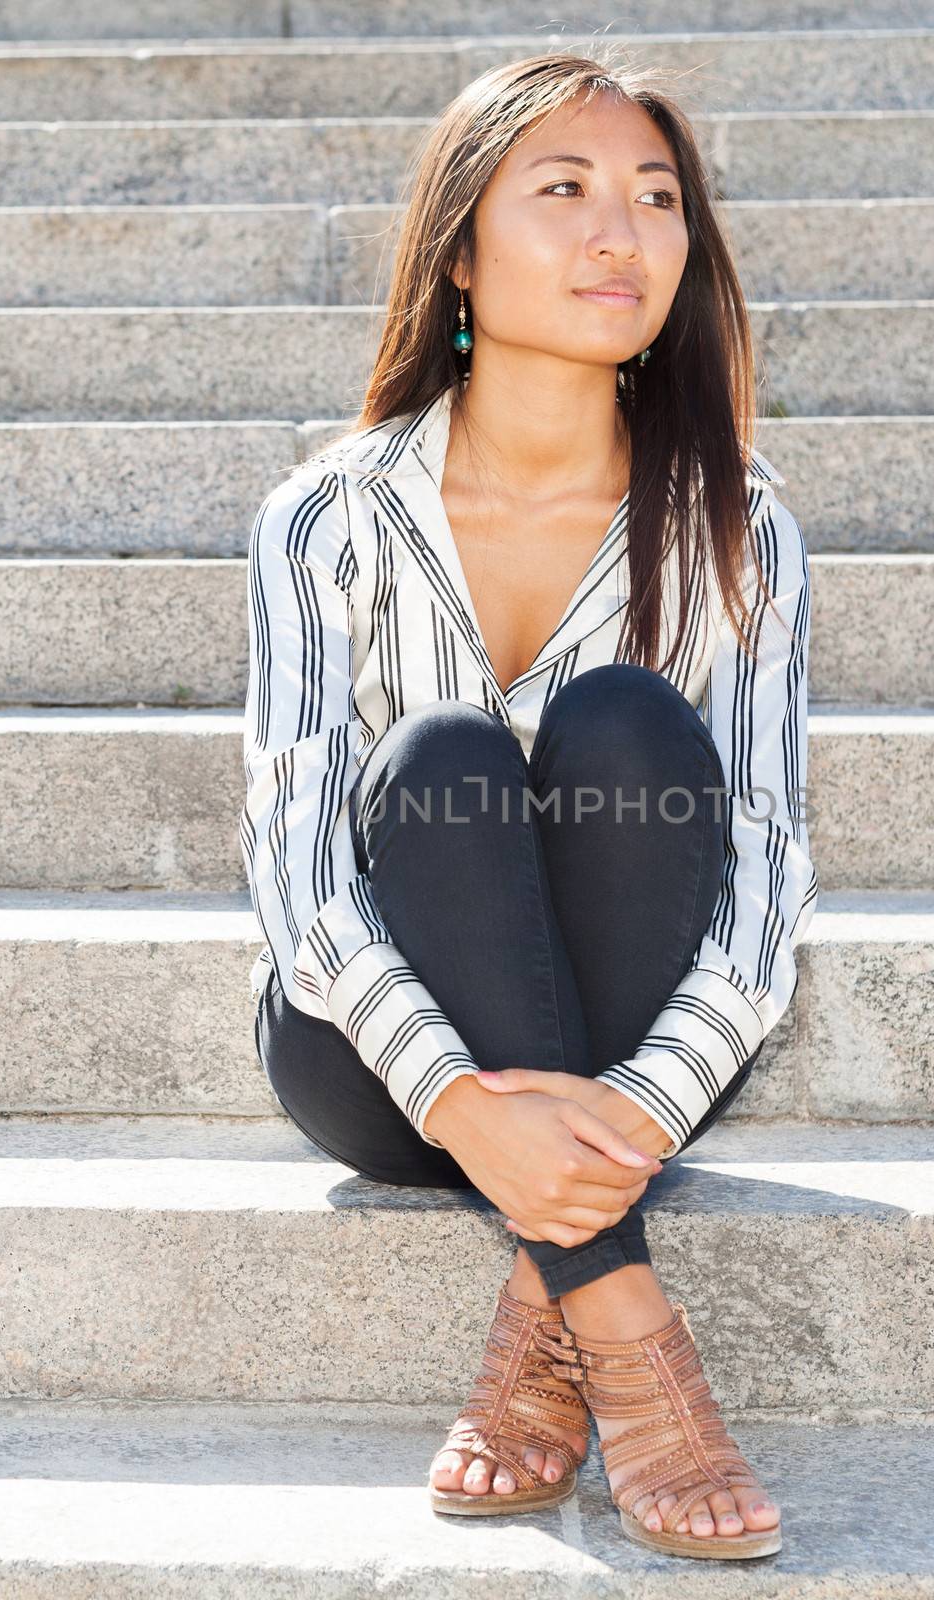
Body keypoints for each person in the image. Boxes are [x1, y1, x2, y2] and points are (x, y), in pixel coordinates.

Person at [239, 49, 815, 1561]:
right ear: (461, 257)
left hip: (645, 1064)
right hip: (377, 1063)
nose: (618, 231)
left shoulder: (739, 524)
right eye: (561, 191)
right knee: (436, 761)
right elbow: (294, 856)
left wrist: (629, 1105)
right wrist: (453, 1099)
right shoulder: (329, 515)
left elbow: (764, 864)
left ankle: (542, 1329)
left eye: (654, 196)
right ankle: (626, 1331)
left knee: (624, 723)